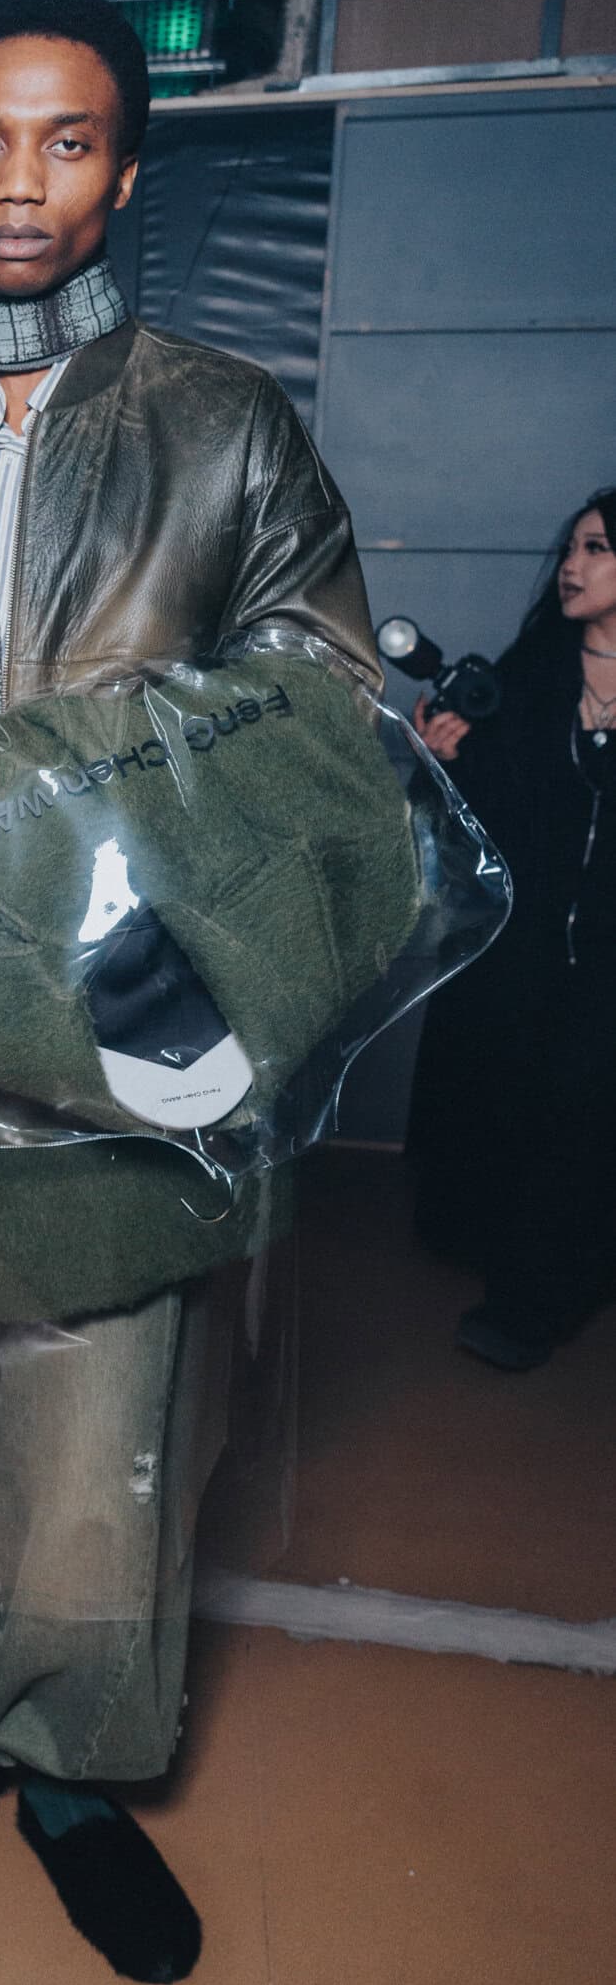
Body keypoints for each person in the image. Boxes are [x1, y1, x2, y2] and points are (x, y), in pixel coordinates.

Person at [0, 0, 379, 1983]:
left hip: (121, 1018)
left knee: (101, 1419)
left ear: (122, 173)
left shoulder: (219, 425)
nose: (16, 182)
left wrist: (122, 889)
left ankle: (69, 1777)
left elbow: (321, 711)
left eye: (63, 141)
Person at [409, 490, 616, 1370]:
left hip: (605, 957)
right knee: (518, 1094)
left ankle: (540, 1296)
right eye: (569, 548)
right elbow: (474, 826)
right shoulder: (524, 679)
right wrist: (443, 761)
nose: (570, 566)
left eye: (596, 548)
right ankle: (520, 1279)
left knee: (589, 1107)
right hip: (523, 948)